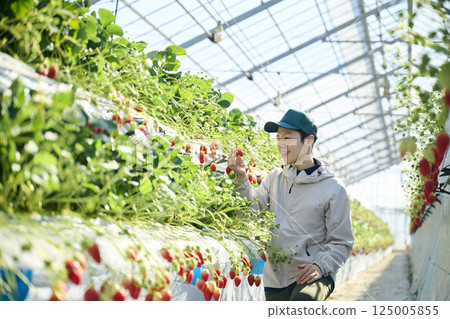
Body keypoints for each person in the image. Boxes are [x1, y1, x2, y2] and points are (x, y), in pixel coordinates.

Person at [228, 109, 354, 301]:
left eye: (287, 138)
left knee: (302, 302)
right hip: (276, 278)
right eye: (278, 138)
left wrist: (321, 266)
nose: (280, 145)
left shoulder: (333, 188)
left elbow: (341, 241)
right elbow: (247, 214)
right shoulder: (275, 178)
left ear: (309, 141)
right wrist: (241, 177)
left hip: (313, 274)